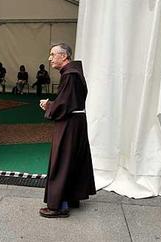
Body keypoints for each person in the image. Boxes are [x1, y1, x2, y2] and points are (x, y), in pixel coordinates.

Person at [38, 43, 96, 218]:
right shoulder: (73, 73)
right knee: (72, 160)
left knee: (62, 161)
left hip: (69, 124)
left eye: (52, 54)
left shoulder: (70, 75)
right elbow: (70, 100)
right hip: (76, 123)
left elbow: (64, 104)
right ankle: (71, 198)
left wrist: (48, 105)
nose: (49, 58)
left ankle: (59, 206)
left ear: (64, 56)